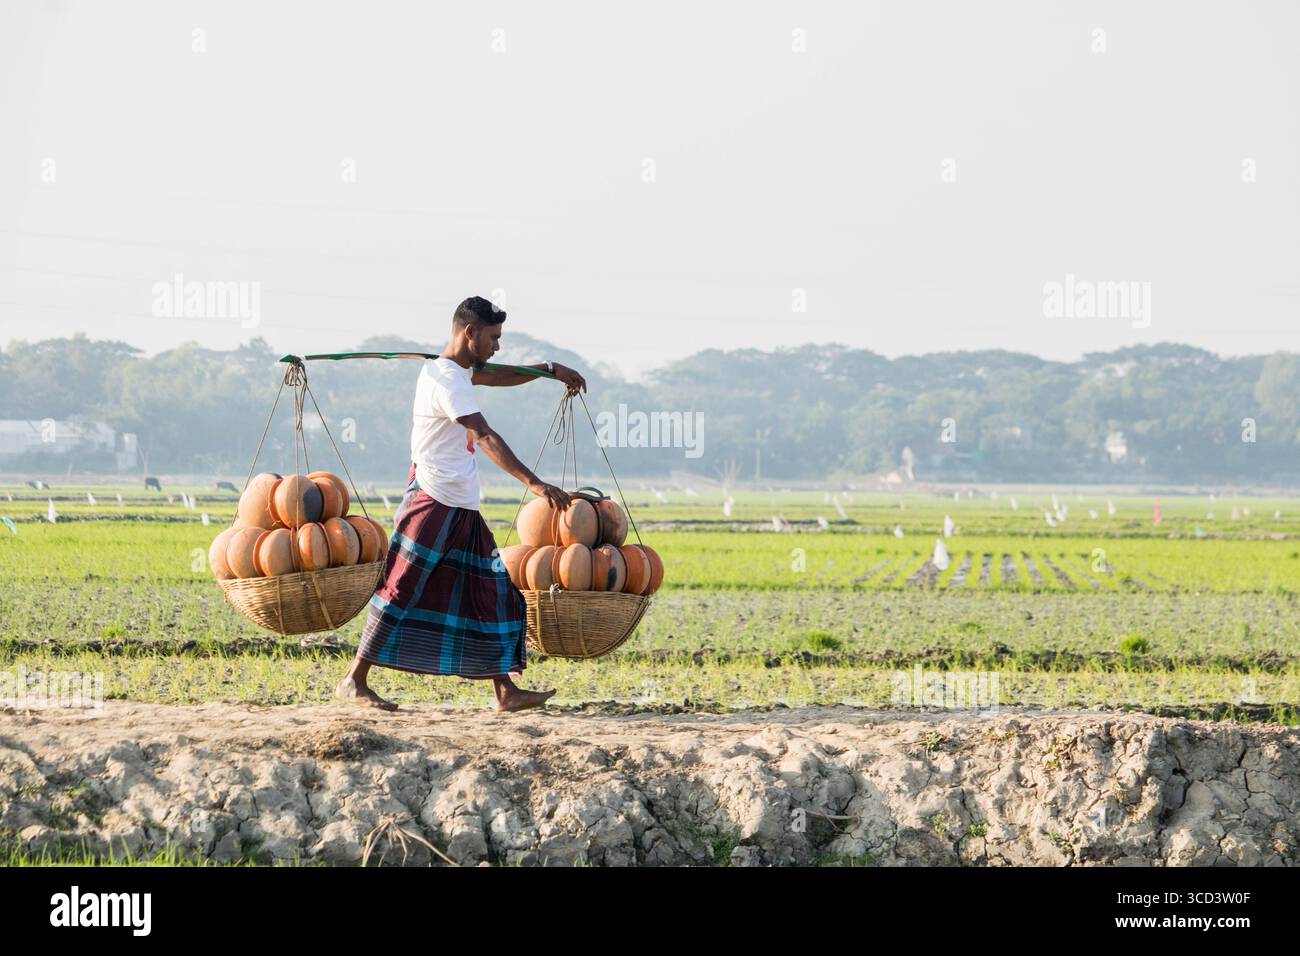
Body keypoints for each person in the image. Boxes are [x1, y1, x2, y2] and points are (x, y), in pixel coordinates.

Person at [335, 295, 586, 712]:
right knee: (400, 587)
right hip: (432, 501)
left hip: (462, 505)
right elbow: (484, 435)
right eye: (493, 337)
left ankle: (505, 690)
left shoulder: (456, 372)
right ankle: (354, 680)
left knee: (490, 590)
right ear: (469, 333)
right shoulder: (445, 380)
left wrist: (547, 371)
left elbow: (497, 375)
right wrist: (536, 484)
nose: (497, 346)